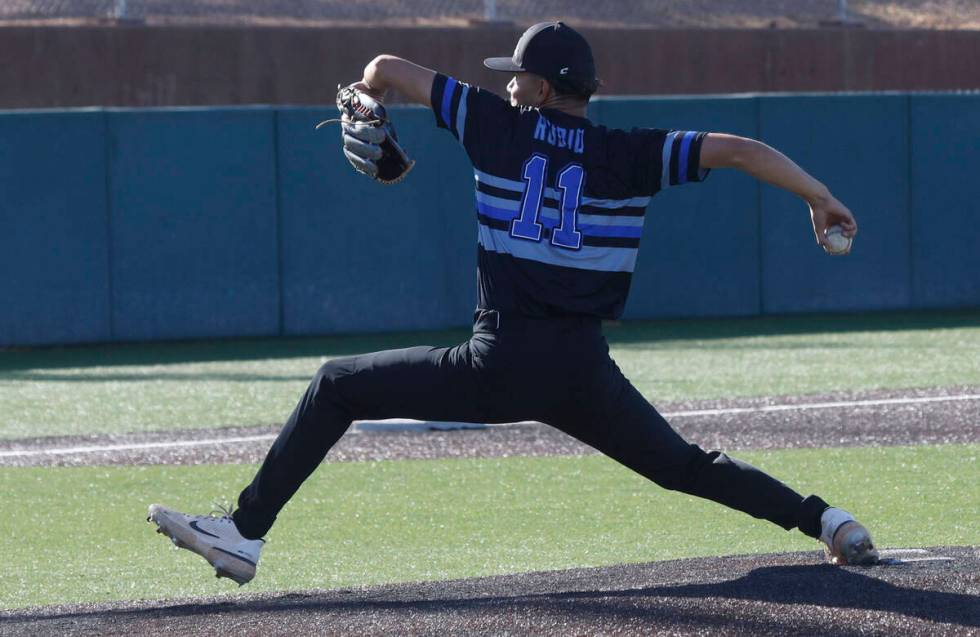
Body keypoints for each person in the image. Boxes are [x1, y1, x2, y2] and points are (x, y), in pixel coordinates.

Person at [148, 21, 877, 586]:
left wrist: (368, 94)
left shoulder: (496, 127)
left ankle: (244, 530)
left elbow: (387, 68)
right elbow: (744, 149)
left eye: (518, 77)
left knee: (338, 384)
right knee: (684, 466)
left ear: (537, 86)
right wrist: (821, 197)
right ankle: (828, 520)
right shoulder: (629, 153)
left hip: (497, 359)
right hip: (582, 369)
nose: (509, 87)